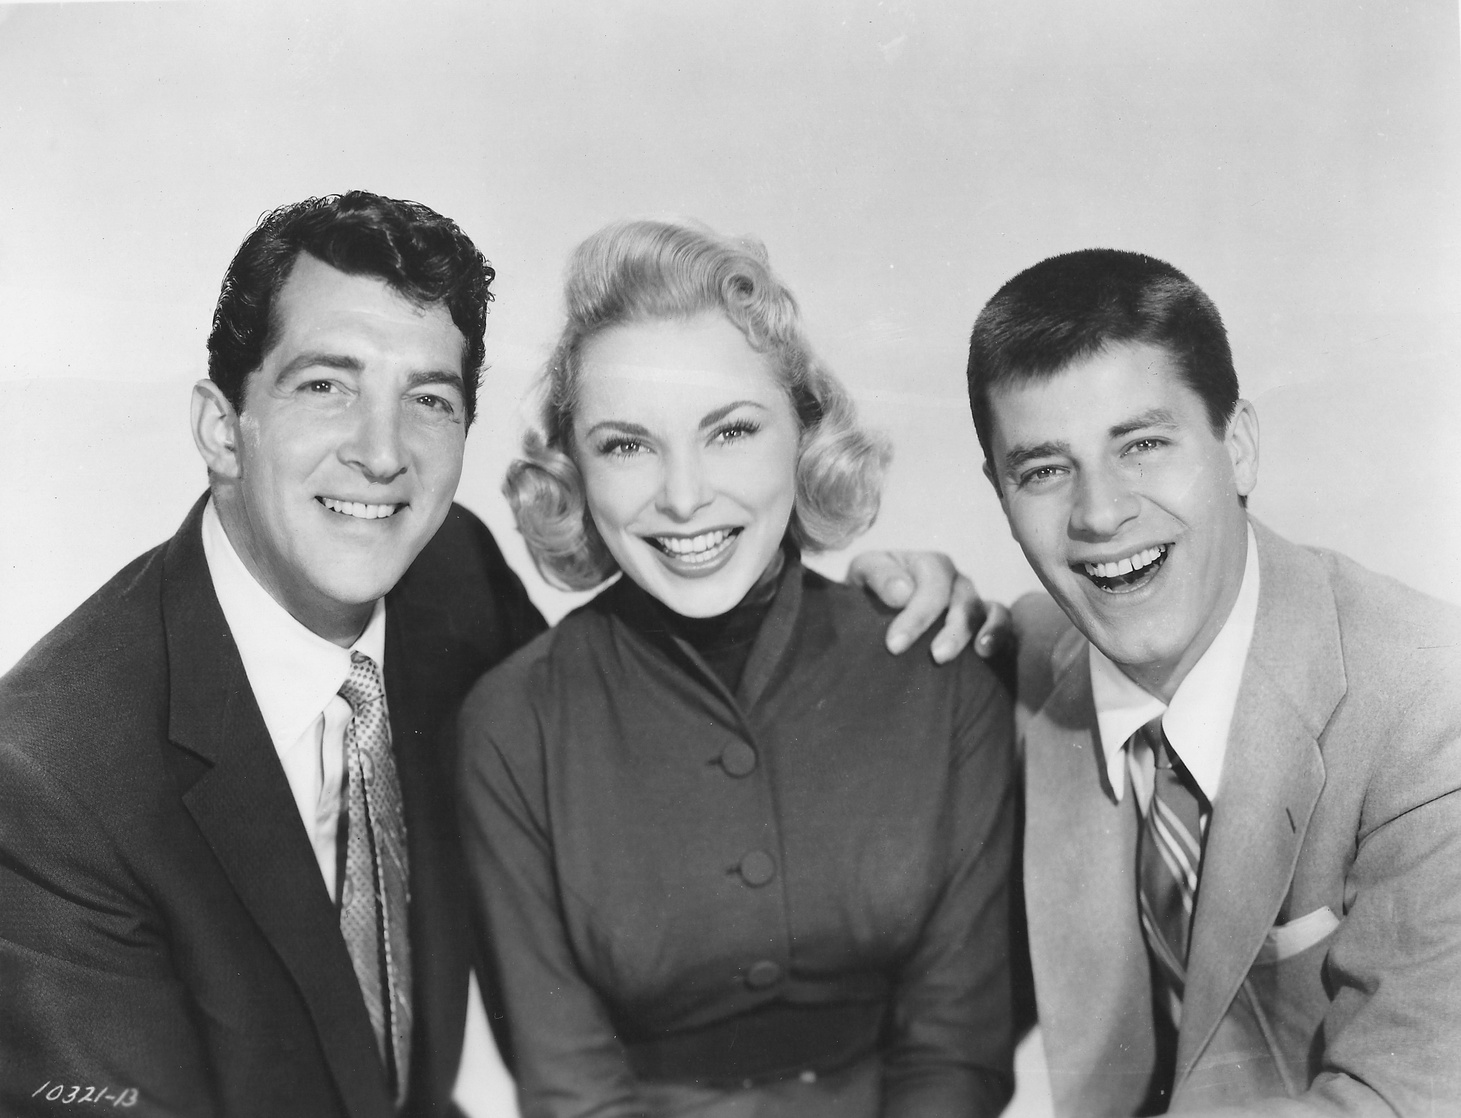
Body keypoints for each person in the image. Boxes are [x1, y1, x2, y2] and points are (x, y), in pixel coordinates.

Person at [0, 193, 981, 1118]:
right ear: (222, 427)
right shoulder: (51, 775)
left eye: (427, 398)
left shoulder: (449, 576)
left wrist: (924, 608)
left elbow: (621, 751)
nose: (382, 453)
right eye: (326, 385)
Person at [457, 219, 1017, 1118]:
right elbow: (570, 1091)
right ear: (573, 470)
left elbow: (957, 1050)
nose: (684, 498)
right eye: (626, 445)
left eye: (730, 432)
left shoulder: (939, 677)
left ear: (804, 432)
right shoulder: (513, 724)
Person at [966, 248, 1461, 1115]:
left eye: (1142, 445)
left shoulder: (1427, 702)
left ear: (1237, 447)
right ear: (1000, 496)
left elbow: (1402, 1101)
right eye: (1043, 470)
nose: (1099, 513)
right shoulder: (1027, 659)